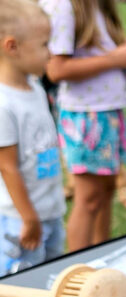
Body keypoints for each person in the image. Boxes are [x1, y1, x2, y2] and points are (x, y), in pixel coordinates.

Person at [40, 0, 126, 251]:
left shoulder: (98, 5)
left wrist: (123, 51)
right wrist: (114, 58)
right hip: (86, 117)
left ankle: (99, 258)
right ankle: (78, 271)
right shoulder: (63, 5)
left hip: (106, 112)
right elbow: (56, 69)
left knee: (106, 191)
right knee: (88, 199)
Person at [0, 0, 66, 277]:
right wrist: (29, 217)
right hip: (23, 222)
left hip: (50, 211)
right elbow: (7, 166)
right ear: (12, 47)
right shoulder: (4, 104)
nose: (50, 53)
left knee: (49, 279)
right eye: (43, 44)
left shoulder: (35, 87)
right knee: (22, 287)